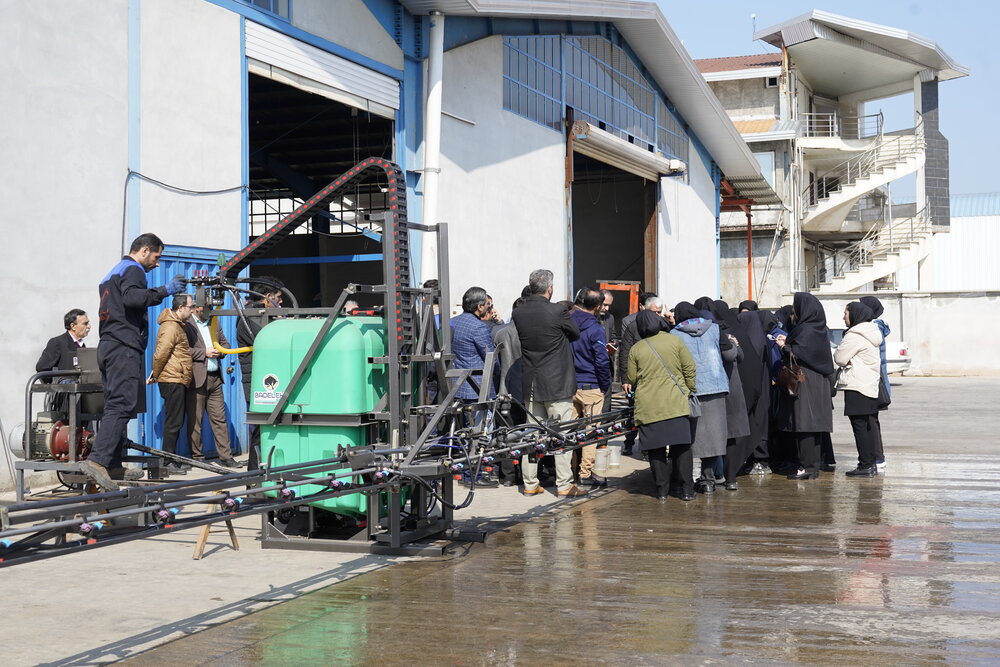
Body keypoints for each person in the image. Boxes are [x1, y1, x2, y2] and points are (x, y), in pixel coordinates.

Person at [78, 234, 186, 491]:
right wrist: (165, 290)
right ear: (145, 250)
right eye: (157, 257)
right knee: (121, 404)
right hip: (123, 347)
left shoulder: (112, 272)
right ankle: (98, 461)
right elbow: (133, 298)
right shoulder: (133, 269)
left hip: (109, 345)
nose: (157, 263)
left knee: (115, 406)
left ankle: (113, 464)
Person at [511, 269, 585, 497]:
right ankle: (564, 484)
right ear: (549, 288)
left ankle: (530, 483)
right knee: (561, 433)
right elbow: (575, 333)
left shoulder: (518, 313)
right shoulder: (557, 311)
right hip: (556, 381)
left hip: (531, 380)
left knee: (532, 434)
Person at [627, 310, 697, 501]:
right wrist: (689, 389)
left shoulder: (636, 349)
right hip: (676, 402)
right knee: (682, 447)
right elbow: (689, 368)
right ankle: (687, 490)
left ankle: (662, 491)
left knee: (655, 449)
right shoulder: (675, 340)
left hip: (649, 406)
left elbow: (632, 378)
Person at [671, 301, 735, 494]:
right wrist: (733, 344)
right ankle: (708, 480)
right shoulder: (714, 329)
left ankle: (686, 481)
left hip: (689, 391)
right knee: (713, 437)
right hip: (715, 388)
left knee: (690, 438)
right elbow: (729, 355)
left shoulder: (674, 334)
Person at [774, 292, 835, 480]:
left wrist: (783, 346)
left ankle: (806, 466)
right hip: (818, 381)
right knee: (813, 425)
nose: (793, 315)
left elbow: (799, 353)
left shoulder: (804, 330)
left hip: (805, 381)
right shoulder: (819, 329)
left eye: (795, 311)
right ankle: (812, 466)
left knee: (804, 424)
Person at [449, 286, 500, 487]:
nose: (488, 307)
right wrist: (498, 372)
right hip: (479, 387)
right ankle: (474, 476)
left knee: (464, 433)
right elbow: (490, 358)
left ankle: (464, 473)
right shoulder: (479, 327)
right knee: (481, 434)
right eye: (487, 304)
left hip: (459, 385)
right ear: (479, 306)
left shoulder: (453, 322)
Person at [236, 276, 284, 471]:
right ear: (267, 297)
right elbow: (269, 340)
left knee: (267, 431)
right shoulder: (250, 316)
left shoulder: (262, 316)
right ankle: (254, 477)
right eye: (278, 298)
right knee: (259, 432)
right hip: (258, 384)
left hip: (268, 383)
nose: (281, 302)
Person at [186, 303, 239, 468]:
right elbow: (183, 350)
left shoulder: (214, 322)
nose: (210, 312)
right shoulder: (187, 323)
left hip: (215, 378)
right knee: (196, 421)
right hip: (197, 379)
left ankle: (226, 457)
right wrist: (204, 352)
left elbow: (225, 344)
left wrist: (220, 351)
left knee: (219, 420)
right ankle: (197, 458)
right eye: (206, 309)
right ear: (197, 308)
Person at [570, 287, 612, 488]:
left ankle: (568, 473)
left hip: (570, 385)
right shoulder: (595, 328)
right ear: (597, 306)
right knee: (591, 432)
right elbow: (601, 360)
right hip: (591, 385)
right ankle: (585, 473)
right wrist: (604, 385)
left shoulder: (567, 322)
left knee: (569, 431)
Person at [835, 302, 884, 477]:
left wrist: (848, 359)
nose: (843, 317)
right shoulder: (871, 332)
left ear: (855, 314)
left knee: (860, 427)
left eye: (845, 313)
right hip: (869, 385)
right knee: (868, 425)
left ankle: (865, 465)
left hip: (856, 385)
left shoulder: (855, 335)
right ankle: (871, 463)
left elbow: (839, 358)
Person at [709, 301, 754, 491]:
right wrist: (734, 343)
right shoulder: (729, 333)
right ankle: (730, 478)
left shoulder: (709, 334)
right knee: (731, 436)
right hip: (733, 388)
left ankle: (717, 475)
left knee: (716, 434)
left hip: (716, 389)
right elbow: (740, 357)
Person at [149, 294, 194, 474]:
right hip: (172, 378)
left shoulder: (177, 325)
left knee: (176, 420)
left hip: (176, 377)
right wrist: (156, 374)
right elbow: (161, 353)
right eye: (190, 307)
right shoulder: (171, 326)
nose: (192, 310)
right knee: (173, 422)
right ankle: (167, 462)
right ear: (181, 308)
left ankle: (172, 459)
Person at [618, 293, 659, 455]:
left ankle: (649, 447)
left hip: (656, 378)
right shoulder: (632, 326)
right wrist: (625, 378)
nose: (656, 315)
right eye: (654, 312)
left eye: (658, 312)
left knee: (653, 415)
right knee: (633, 412)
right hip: (637, 379)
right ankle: (629, 443)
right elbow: (624, 353)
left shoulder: (662, 326)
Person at [492, 297, 527, 486]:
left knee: (504, 434)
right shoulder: (529, 334)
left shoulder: (499, 333)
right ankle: (523, 473)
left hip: (503, 390)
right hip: (525, 390)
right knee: (525, 434)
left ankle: (508, 476)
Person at [860, 295, 891, 472]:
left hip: (873, 381)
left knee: (870, 422)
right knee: (872, 421)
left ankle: (878, 458)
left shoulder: (873, 328)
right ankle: (878, 457)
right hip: (877, 380)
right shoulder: (877, 327)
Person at [36, 309, 91, 374]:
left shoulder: (81, 345)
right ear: (73, 326)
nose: (89, 326)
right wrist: (59, 379)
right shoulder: (57, 343)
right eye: (85, 324)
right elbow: (41, 368)